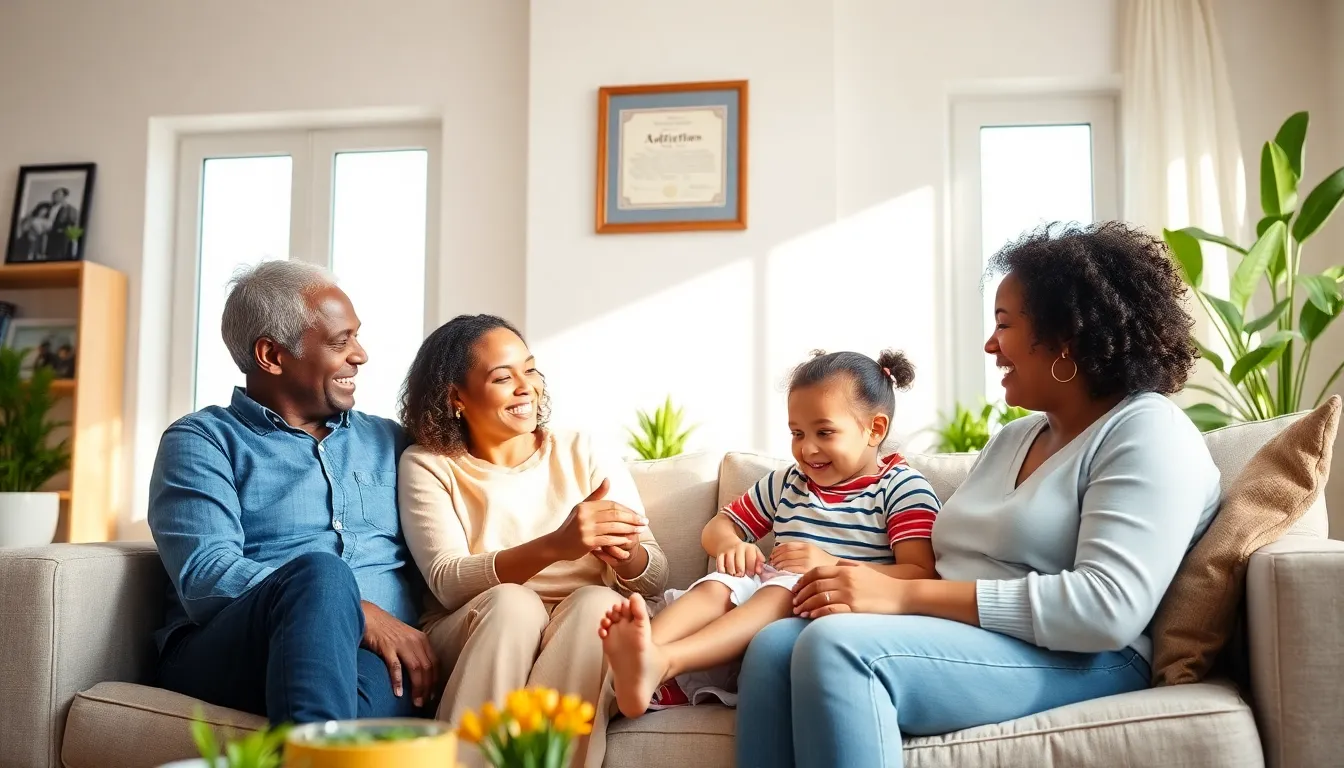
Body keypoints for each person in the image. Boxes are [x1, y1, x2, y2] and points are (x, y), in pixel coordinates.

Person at [734, 222, 1223, 767]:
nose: (991, 345)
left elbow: (1106, 610)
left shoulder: (1148, 433)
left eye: (1004, 324)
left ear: (1065, 336)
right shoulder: (1015, 438)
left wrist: (899, 596)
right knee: (774, 646)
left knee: (839, 650)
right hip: (964, 634)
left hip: (1087, 655)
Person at [148, 260, 436, 725]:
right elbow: (204, 575)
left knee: (352, 713)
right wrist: (360, 613)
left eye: (356, 337)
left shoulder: (393, 442)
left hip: (377, 659)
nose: (360, 355)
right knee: (324, 575)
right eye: (341, 342)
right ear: (272, 355)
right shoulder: (203, 440)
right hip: (236, 649)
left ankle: (315, 740)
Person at [600, 349, 941, 718]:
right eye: (797, 433)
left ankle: (664, 662)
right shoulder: (789, 482)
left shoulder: (902, 487)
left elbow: (921, 574)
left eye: (824, 432)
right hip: (775, 590)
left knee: (783, 590)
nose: (807, 449)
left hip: (838, 605)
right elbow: (719, 526)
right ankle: (640, 653)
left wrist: (832, 563)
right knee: (720, 583)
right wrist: (730, 544)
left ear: (874, 429)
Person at [397, 314, 669, 768]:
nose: (527, 387)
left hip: (580, 631)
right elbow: (446, 580)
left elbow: (657, 577)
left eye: (531, 369)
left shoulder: (583, 449)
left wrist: (628, 555)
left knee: (598, 605)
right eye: (503, 377)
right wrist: (556, 546)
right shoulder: (428, 464)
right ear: (455, 397)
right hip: (477, 626)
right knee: (513, 604)